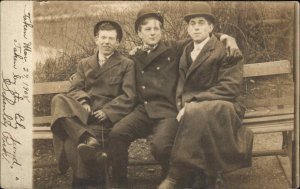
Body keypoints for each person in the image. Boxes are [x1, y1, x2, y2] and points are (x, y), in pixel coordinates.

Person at [108, 7, 242, 188]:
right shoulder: (134, 56)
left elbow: (205, 38)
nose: (153, 33)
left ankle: (177, 177)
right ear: (139, 33)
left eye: (157, 28)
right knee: (117, 133)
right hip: (143, 109)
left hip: (168, 109)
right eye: (147, 29)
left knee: (161, 147)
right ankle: (118, 181)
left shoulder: (175, 47)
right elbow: (113, 63)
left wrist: (229, 38)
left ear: (162, 31)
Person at [158, 3, 254, 189]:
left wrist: (194, 102)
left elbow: (229, 87)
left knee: (196, 112)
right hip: (195, 108)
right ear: (187, 28)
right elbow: (159, 46)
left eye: (201, 23)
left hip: (226, 104)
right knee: (197, 114)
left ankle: (176, 174)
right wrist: (138, 49)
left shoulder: (227, 49)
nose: (196, 27)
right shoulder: (186, 49)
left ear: (211, 27)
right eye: (192, 23)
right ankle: (209, 175)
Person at [50, 20, 137, 189]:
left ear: (118, 42)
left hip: (105, 119)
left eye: (111, 38)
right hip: (84, 114)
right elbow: (74, 89)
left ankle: (82, 180)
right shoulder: (84, 63)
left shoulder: (126, 64)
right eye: (103, 37)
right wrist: (83, 101)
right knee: (57, 100)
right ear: (96, 39)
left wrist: (107, 111)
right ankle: (86, 139)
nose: (106, 42)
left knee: (70, 138)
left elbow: (129, 96)